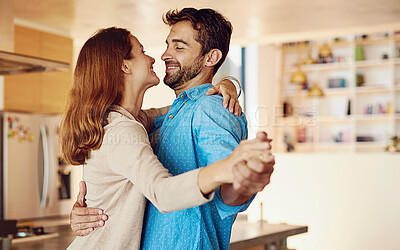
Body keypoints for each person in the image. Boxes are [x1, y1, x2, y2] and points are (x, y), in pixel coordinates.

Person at [70, 8, 275, 250]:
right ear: (124, 67)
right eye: (167, 45)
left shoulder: (207, 108)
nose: (163, 55)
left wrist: (242, 178)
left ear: (211, 58)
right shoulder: (133, 125)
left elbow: (229, 192)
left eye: (179, 47)